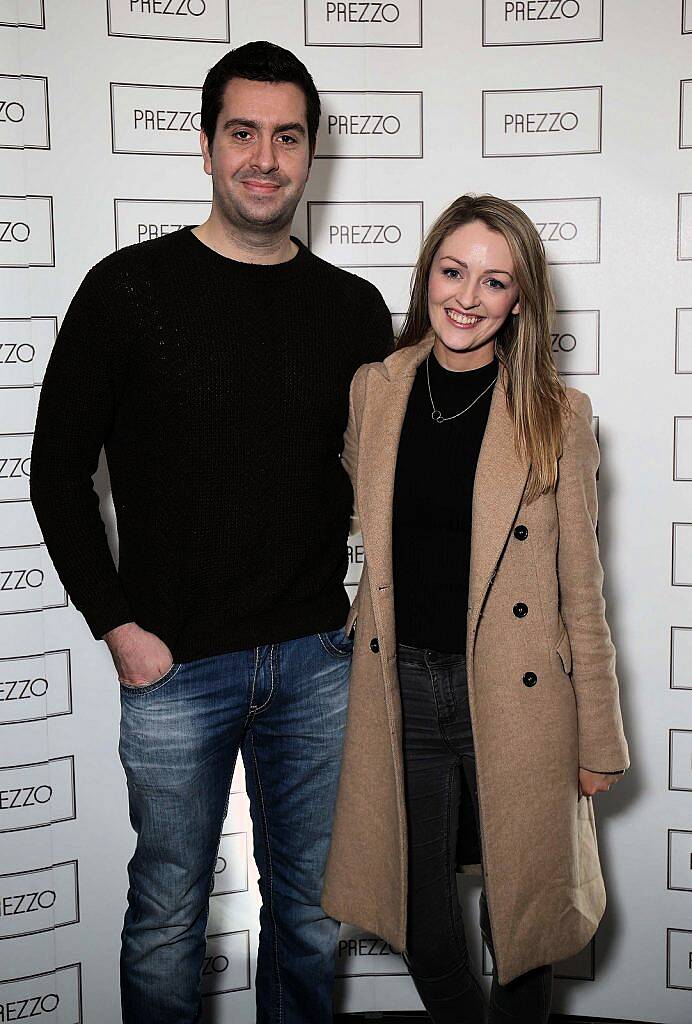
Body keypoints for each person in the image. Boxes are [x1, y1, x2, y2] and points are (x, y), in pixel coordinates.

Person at [30, 40, 393, 1024]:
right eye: (242, 133)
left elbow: (397, 482)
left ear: (310, 153)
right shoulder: (128, 292)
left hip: (317, 666)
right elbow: (55, 472)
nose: (264, 158)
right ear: (204, 145)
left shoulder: (353, 311)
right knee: (165, 918)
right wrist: (118, 627)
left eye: (286, 136)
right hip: (175, 665)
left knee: (314, 921)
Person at [322, 194, 629, 1023]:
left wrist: (598, 737)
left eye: (495, 282)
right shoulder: (375, 392)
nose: (467, 297)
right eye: (453, 272)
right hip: (402, 692)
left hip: (519, 695)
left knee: (521, 923)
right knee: (417, 914)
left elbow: (581, 591)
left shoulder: (557, 416)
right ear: (428, 276)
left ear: (520, 298)